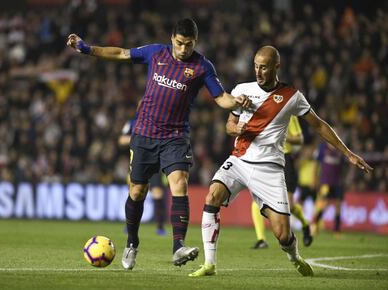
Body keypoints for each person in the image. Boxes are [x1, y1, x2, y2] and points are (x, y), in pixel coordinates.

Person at [67, 18, 252, 270]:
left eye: (188, 44)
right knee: (137, 192)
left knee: (180, 184)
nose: (183, 49)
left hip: (175, 137)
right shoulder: (155, 53)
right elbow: (121, 53)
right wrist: (87, 49)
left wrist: (237, 102)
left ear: (194, 42)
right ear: (172, 39)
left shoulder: (202, 66)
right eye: (179, 43)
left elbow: (221, 98)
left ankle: (178, 247)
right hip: (144, 134)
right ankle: (132, 243)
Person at [189, 45, 372, 277]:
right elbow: (229, 126)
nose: (258, 71)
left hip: (270, 168)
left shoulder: (292, 96)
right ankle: (210, 264)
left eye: (263, 67)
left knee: (283, 235)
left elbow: (318, 125)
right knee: (212, 195)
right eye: (255, 66)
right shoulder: (242, 89)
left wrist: (348, 153)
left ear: (277, 67)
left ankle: (295, 257)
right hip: (240, 159)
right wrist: (238, 129)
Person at [251, 115, 313, 249]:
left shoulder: (289, 115)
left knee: (289, 206)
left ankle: (305, 225)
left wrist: (282, 136)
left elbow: (299, 139)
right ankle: (261, 239)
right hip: (266, 159)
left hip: (285, 160)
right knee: (257, 201)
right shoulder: (264, 110)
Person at [119, 118, 167, 236]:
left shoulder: (159, 121)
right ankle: (129, 226)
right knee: (134, 193)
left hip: (155, 164)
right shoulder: (132, 123)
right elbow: (121, 140)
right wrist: (141, 140)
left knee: (157, 193)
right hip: (137, 162)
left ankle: (160, 226)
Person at [311, 141, 345, 236]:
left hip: (337, 181)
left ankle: (337, 229)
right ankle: (315, 224)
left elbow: (343, 165)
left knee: (338, 205)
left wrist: (343, 179)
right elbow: (316, 164)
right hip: (325, 182)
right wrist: (314, 179)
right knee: (324, 204)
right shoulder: (322, 148)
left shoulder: (340, 148)